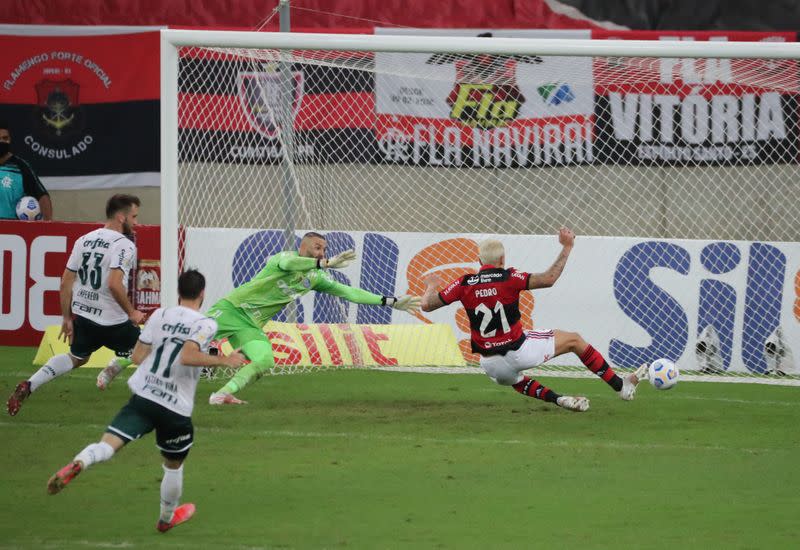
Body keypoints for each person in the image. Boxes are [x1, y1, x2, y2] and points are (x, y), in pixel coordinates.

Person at [46, 270, 247, 532]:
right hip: (175, 406)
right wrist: (224, 360)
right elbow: (187, 355)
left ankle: (81, 461)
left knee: (107, 445)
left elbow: (139, 356)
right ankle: (166, 519)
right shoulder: (206, 324)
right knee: (173, 465)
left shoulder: (160, 314)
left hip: (145, 394)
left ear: (178, 291)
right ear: (202, 294)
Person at [420, 228, 647, 413]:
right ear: (502, 259)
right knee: (575, 341)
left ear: (479, 260)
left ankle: (561, 400)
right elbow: (549, 279)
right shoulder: (509, 277)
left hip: (489, 364)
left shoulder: (464, 283)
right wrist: (567, 247)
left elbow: (426, 305)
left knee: (515, 379)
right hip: (518, 351)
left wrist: (431, 286)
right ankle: (622, 387)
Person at [205, 231, 420, 405]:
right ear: (303, 247)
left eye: (324, 249)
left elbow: (349, 292)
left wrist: (389, 301)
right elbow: (290, 266)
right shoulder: (285, 257)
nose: (321, 252)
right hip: (232, 309)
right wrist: (323, 263)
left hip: (250, 325)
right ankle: (205, 354)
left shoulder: (316, 277)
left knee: (265, 360)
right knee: (182, 341)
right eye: (317, 247)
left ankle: (222, 395)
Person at [6, 194, 145, 416]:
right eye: (134, 217)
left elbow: (65, 282)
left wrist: (66, 318)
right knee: (152, 349)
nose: (136, 222)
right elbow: (114, 284)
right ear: (121, 217)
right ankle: (159, 403)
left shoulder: (84, 240)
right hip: (113, 321)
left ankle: (30, 385)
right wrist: (132, 312)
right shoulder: (124, 245)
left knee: (78, 357)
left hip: (86, 317)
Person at [0, 121, 53, 220]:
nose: (2, 142)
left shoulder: (21, 166)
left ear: (10, 140)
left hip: (10, 230)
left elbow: (42, 196)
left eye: (5, 138)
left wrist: (48, 225)